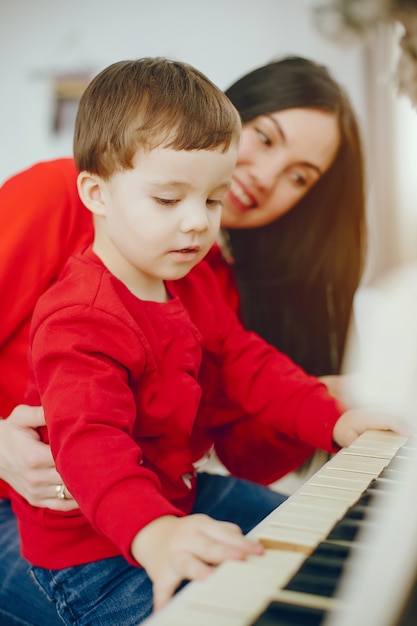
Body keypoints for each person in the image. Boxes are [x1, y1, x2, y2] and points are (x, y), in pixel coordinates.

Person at [6, 56, 403, 626]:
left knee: (327, 551)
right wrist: (154, 532)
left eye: (211, 200)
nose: (198, 223)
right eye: (170, 200)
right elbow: (90, 443)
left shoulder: (189, 277)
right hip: (86, 548)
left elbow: (247, 362)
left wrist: (331, 415)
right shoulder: (79, 317)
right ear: (95, 193)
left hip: (174, 494)